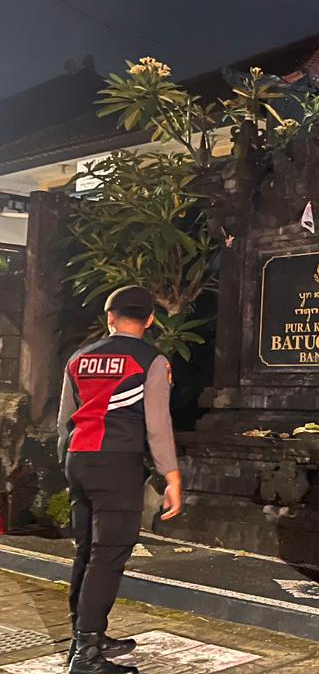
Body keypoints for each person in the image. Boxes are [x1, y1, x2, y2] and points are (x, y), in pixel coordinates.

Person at [58, 286, 183, 674]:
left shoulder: (79, 358)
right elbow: (157, 425)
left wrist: (69, 462)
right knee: (108, 554)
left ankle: (86, 636)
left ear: (109, 316)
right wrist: (171, 475)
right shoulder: (152, 361)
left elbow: (64, 421)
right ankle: (87, 654)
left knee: (87, 551)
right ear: (150, 319)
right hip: (117, 463)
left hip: (79, 459)